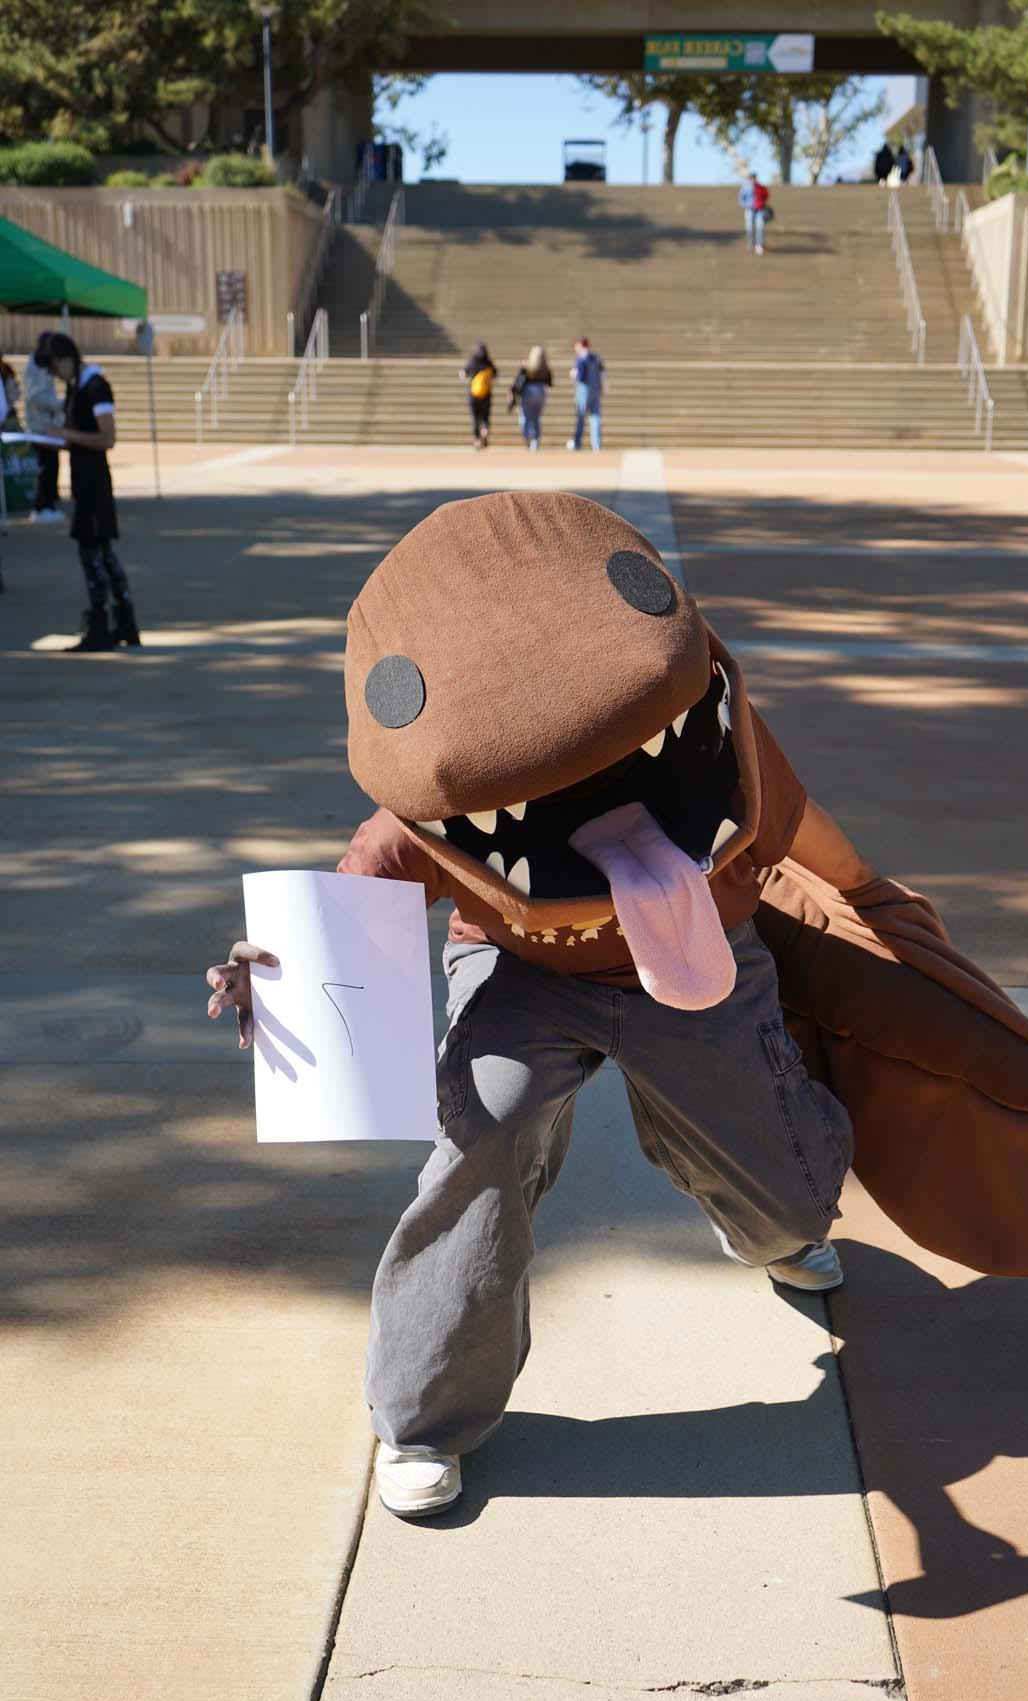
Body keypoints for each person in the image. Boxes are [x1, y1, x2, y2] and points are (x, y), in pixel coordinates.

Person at [205, 492, 869, 1519]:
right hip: (519, 969)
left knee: (789, 1190)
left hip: (695, 952)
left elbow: (797, 823)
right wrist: (275, 963)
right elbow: (350, 907)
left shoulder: (706, 739)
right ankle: (425, 1413)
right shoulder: (429, 819)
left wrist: (876, 904)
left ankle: (764, 1224)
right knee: (484, 1133)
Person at [44, 332, 141, 653]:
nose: (55, 375)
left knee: (95, 555)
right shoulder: (77, 387)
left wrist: (66, 434)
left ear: (65, 359)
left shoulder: (95, 385)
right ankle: (122, 621)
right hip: (85, 480)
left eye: (54, 367)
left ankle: (103, 623)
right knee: (102, 554)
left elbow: (106, 437)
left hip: (95, 482)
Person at [24, 331, 65, 523]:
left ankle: (49, 501)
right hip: (39, 426)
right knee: (45, 467)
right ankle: (42, 506)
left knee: (52, 464)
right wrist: (57, 404)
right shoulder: (34, 366)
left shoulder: (41, 364)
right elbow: (34, 396)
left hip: (49, 425)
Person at [508, 345, 552, 452]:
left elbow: (518, 381)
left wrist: (512, 391)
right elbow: (549, 383)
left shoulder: (527, 366)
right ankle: (535, 440)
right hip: (541, 392)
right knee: (536, 418)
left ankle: (528, 436)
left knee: (525, 417)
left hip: (529, 392)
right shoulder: (545, 368)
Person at [566, 337, 605, 450]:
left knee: (581, 418)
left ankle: (577, 443)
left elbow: (580, 376)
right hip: (595, 390)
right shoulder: (596, 357)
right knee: (595, 417)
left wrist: (573, 374)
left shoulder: (581, 358)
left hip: (584, 391)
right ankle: (596, 445)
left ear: (580, 346)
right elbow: (602, 373)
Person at [459, 343, 496, 450]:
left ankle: (476, 440)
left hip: (474, 395)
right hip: (486, 395)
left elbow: (463, 374)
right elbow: (495, 375)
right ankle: (485, 431)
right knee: (485, 418)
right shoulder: (488, 363)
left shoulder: (472, 362)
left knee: (475, 418)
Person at [737, 172, 759, 251]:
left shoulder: (758, 187)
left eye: (754, 178)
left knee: (759, 227)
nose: (753, 180)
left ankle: (758, 244)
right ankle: (750, 243)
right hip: (749, 210)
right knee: (749, 227)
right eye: (751, 178)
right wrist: (746, 205)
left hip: (758, 210)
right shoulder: (745, 188)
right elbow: (741, 199)